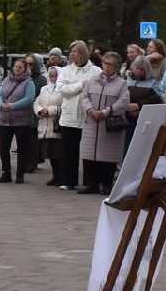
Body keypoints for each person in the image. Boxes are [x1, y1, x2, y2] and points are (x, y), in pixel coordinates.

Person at [78, 51, 130, 194]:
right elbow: (84, 97)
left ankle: (106, 184)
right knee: (89, 155)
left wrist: (106, 112)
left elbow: (123, 102)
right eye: (105, 63)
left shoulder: (121, 84)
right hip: (91, 122)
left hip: (109, 125)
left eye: (111, 64)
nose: (107, 67)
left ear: (116, 67)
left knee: (108, 156)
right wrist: (90, 110)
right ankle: (91, 184)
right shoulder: (92, 80)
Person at [55, 41, 101, 192]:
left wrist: (74, 88)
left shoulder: (95, 71)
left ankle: (90, 182)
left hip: (87, 116)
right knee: (68, 150)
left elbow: (97, 89)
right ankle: (68, 180)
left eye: (75, 51)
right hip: (69, 116)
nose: (72, 54)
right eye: (71, 51)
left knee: (88, 151)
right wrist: (80, 85)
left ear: (83, 53)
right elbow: (62, 90)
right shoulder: (66, 71)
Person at [0, 57, 37, 184]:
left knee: (22, 149)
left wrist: (12, 106)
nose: (17, 69)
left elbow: (29, 99)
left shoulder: (29, 82)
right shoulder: (7, 80)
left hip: (22, 121)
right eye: (16, 66)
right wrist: (0, 104)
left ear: (25, 69)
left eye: (20, 67)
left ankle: (20, 175)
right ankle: (6, 173)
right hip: (4, 120)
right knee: (3, 148)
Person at [36, 49, 65, 185]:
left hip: (57, 124)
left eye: (55, 76)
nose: (53, 78)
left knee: (58, 153)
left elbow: (65, 106)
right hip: (45, 123)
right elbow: (37, 102)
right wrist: (40, 110)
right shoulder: (44, 89)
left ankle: (61, 176)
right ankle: (55, 176)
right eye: (51, 75)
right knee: (50, 153)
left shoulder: (63, 89)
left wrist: (50, 110)